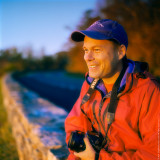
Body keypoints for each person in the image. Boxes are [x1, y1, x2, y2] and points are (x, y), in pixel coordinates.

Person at [65, 19, 160, 160]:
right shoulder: (90, 84)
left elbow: (154, 153)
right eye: (86, 50)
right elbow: (75, 126)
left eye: (97, 50)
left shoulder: (147, 91)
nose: (87, 57)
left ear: (120, 52)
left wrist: (98, 158)